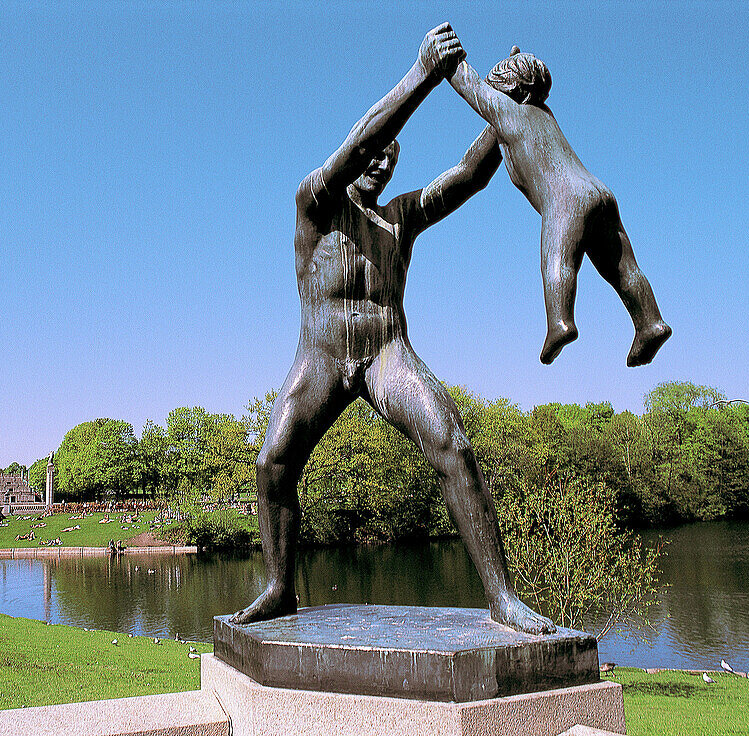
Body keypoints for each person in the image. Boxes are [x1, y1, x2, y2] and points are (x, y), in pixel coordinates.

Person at [232, 23, 554, 634]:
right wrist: (421, 75)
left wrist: (510, 109)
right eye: (376, 151)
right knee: (274, 461)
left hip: (386, 352)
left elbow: (469, 174)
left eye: (391, 156)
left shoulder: (401, 218)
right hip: (322, 356)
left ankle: (503, 598)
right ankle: (278, 586)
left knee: (453, 444)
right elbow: (356, 144)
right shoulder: (316, 201)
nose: (380, 160)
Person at [447, 43, 671, 366]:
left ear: (511, 88)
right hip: (598, 192)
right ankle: (650, 322)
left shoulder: (506, 110)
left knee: (557, 259)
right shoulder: (539, 114)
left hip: (564, 198)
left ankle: (560, 322)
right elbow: (477, 159)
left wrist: (449, 58)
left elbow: (471, 87)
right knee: (622, 267)